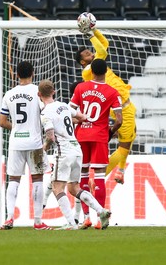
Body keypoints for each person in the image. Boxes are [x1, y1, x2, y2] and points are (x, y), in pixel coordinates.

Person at [38, 79, 111, 230]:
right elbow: (82, 117)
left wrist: (44, 148)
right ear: (54, 92)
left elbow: (51, 136)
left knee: (57, 187)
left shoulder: (45, 113)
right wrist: (67, 122)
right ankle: (101, 211)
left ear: (39, 95)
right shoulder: (64, 106)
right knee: (74, 189)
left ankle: (72, 224)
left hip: (63, 152)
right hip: (77, 149)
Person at [75, 26, 136, 185]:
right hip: (120, 109)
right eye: (87, 54)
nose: (91, 53)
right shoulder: (89, 70)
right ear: (83, 62)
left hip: (125, 105)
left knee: (132, 135)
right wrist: (89, 35)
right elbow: (102, 51)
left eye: (90, 51)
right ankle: (96, 180)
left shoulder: (96, 64)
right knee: (125, 145)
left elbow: (104, 43)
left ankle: (121, 172)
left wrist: (94, 31)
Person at [0, 61, 52, 230]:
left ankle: (9, 218)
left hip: (15, 143)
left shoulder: (9, 94)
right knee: (37, 179)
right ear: (33, 73)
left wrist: (16, 127)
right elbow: (47, 114)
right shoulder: (38, 92)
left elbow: (2, 122)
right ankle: (37, 221)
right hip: (35, 143)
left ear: (16, 74)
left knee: (13, 180)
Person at [70, 59, 123, 229]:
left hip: (81, 136)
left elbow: (70, 112)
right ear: (106, 72)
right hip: (99, 136)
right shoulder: (113, 92)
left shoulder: (80, 88)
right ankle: (101, 219)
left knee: (83, 175)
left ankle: (86, 217)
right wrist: (109, 133)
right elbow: (119, 120)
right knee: (99, 175)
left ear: (91, 71)